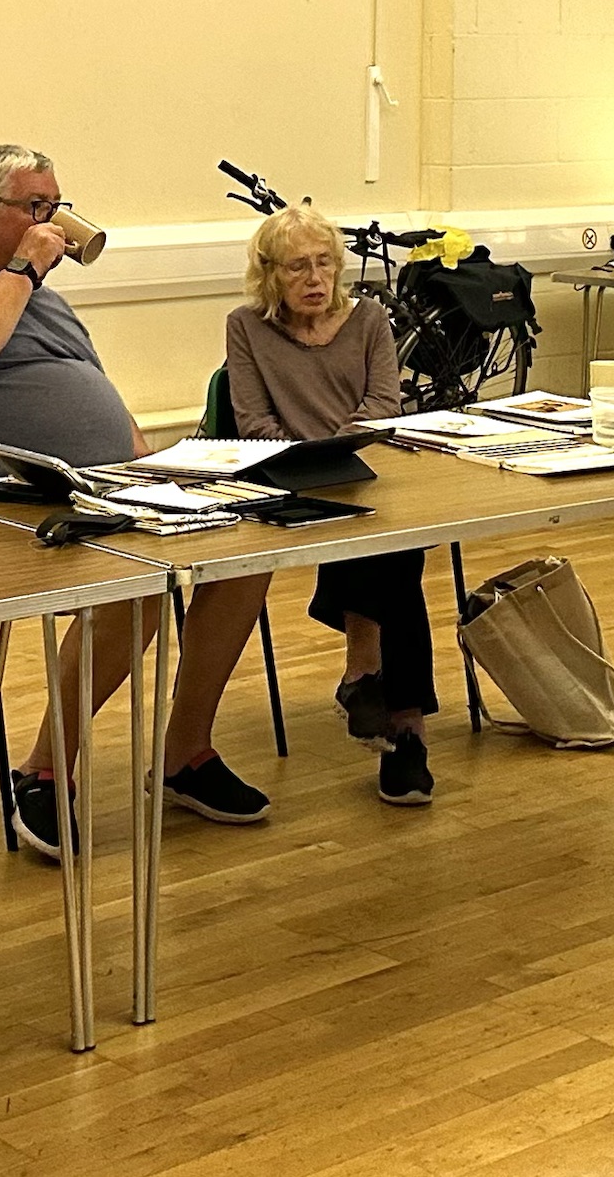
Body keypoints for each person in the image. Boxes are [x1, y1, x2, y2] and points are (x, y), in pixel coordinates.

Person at [0, 145, 274, 855]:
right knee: (136, 580)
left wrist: (160, 473)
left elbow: (101, 402)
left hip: (100, 493)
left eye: (56, 206)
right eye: (38, 207)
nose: (55, 221)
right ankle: (44, 769)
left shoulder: (48, 304)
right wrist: (24, 269)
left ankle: (185, 753)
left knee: (246, 553)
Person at [225, 205, 437, 805]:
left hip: (365, 466)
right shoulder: (247, 327)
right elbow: (253, 421)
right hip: (292, 477)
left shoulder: (368, 318)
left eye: (324, 263)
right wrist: (312, 460)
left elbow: (383, 403)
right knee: (393, 549)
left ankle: (371, 683)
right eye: (298, 267)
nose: (315, 279)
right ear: (270, 274)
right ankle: (402, 726)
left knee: (396, 542)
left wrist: (344, 449)